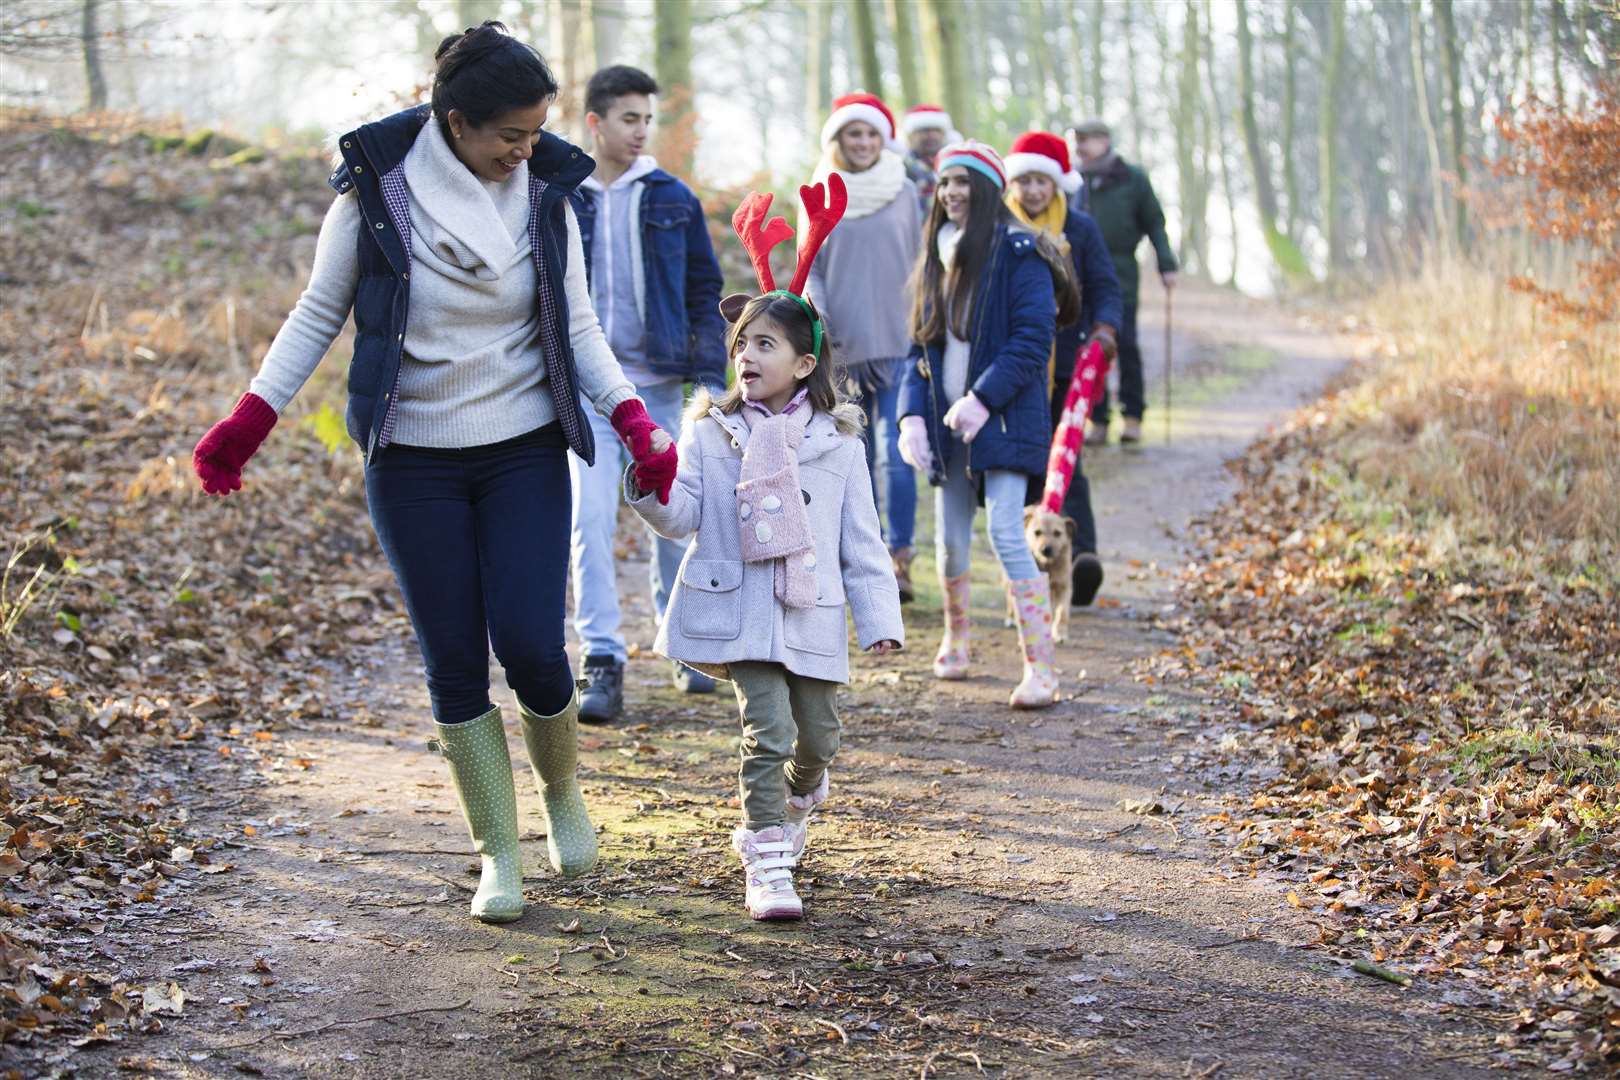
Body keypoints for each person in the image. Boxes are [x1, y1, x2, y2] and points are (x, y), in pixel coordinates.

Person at [189, 23, 679, 925]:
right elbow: (316, 316)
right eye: (510, 136)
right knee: (453, 658)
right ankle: (497, 851)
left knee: (533, 643)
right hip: (412, 458)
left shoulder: (546, 195)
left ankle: (562, 792)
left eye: (536, 134)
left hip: (524, 446)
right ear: (456, 121)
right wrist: (248, 420)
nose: (527, 152)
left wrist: (634, 421)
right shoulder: (377, 195)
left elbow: (577, 331)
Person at [628, 178, 904, 921]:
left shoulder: (839, 445)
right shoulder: (711, 431)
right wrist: (650, 483)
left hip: (810, 610)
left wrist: (880, 616)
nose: (746, 355)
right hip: (741, 606)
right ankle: (768, 858)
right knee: (767, 731)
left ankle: (802, 796)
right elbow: (682, 513)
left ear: (805, 364)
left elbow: (863, 541)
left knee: (817, 741)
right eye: (740, 343)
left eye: (765, 343)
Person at [567, 64, 730, 722]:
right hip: (584, 394)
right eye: (629, 119)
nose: (641, 132)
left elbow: (703, 291)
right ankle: (601, 657)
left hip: (659, 386)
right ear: (595, 122)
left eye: (647, 120)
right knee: (589, 519)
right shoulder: (559, 195)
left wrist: (712, 379)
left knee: (673, 521)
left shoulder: (672, 198)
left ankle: (683, 639)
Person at [896, 142, 1062, 709]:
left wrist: (983, 398)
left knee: (1006, 535)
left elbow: (1033, 340)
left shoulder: (1021, 252)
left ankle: (1042, 668)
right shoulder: (936, 256)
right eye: (945, 185)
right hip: (946, 428)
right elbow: (919, 346)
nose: (952, 194)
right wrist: (911, 414)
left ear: (988, 190)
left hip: (1007, 417)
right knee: (950, 545)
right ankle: (956, 638)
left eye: (964, 183)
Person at [808, 93, 923, 602]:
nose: (863, 142)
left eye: (872, 134)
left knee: (897, 455)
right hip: (842, 344)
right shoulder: (819, 190)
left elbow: (922, 260)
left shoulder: (905, 190)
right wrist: (819, 318)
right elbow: (810, 263)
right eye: (853, 133)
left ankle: (901, 559)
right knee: (854, 456)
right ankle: (865, 559)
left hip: (900, 340)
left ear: (884, 139)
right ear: (837, 140)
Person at [1003, 131, 1123, 607]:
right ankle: (1030, 565)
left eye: (1042, 182)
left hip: (1067, 366)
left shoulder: (1081, 229)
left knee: (1068, 462)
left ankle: (1082, 559)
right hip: (1015, 369)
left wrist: (1106, 329)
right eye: (1025, 181)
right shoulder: (998, 228)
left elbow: (1105, 287)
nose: (1033, 191)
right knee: (1025, 466)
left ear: (1057, 184)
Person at [1069, 119, 1177, 446]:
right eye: (1077, 141)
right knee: (1086, 346)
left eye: (1087, 140)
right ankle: (1097, 419)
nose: (1081, 147)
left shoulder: (1132, 179)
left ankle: (1133, 416)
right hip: (1078, 275)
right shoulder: (1073, 181)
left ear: (1104, 141)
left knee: (1124, 343)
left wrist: (1166, 263)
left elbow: (1155, 223)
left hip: (1120, 273)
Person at [899, 104, 960, 210]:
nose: (931, 136)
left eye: (936, 130)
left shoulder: (956, 165)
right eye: (925, 130)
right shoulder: (900, 168)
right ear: (911, 135)